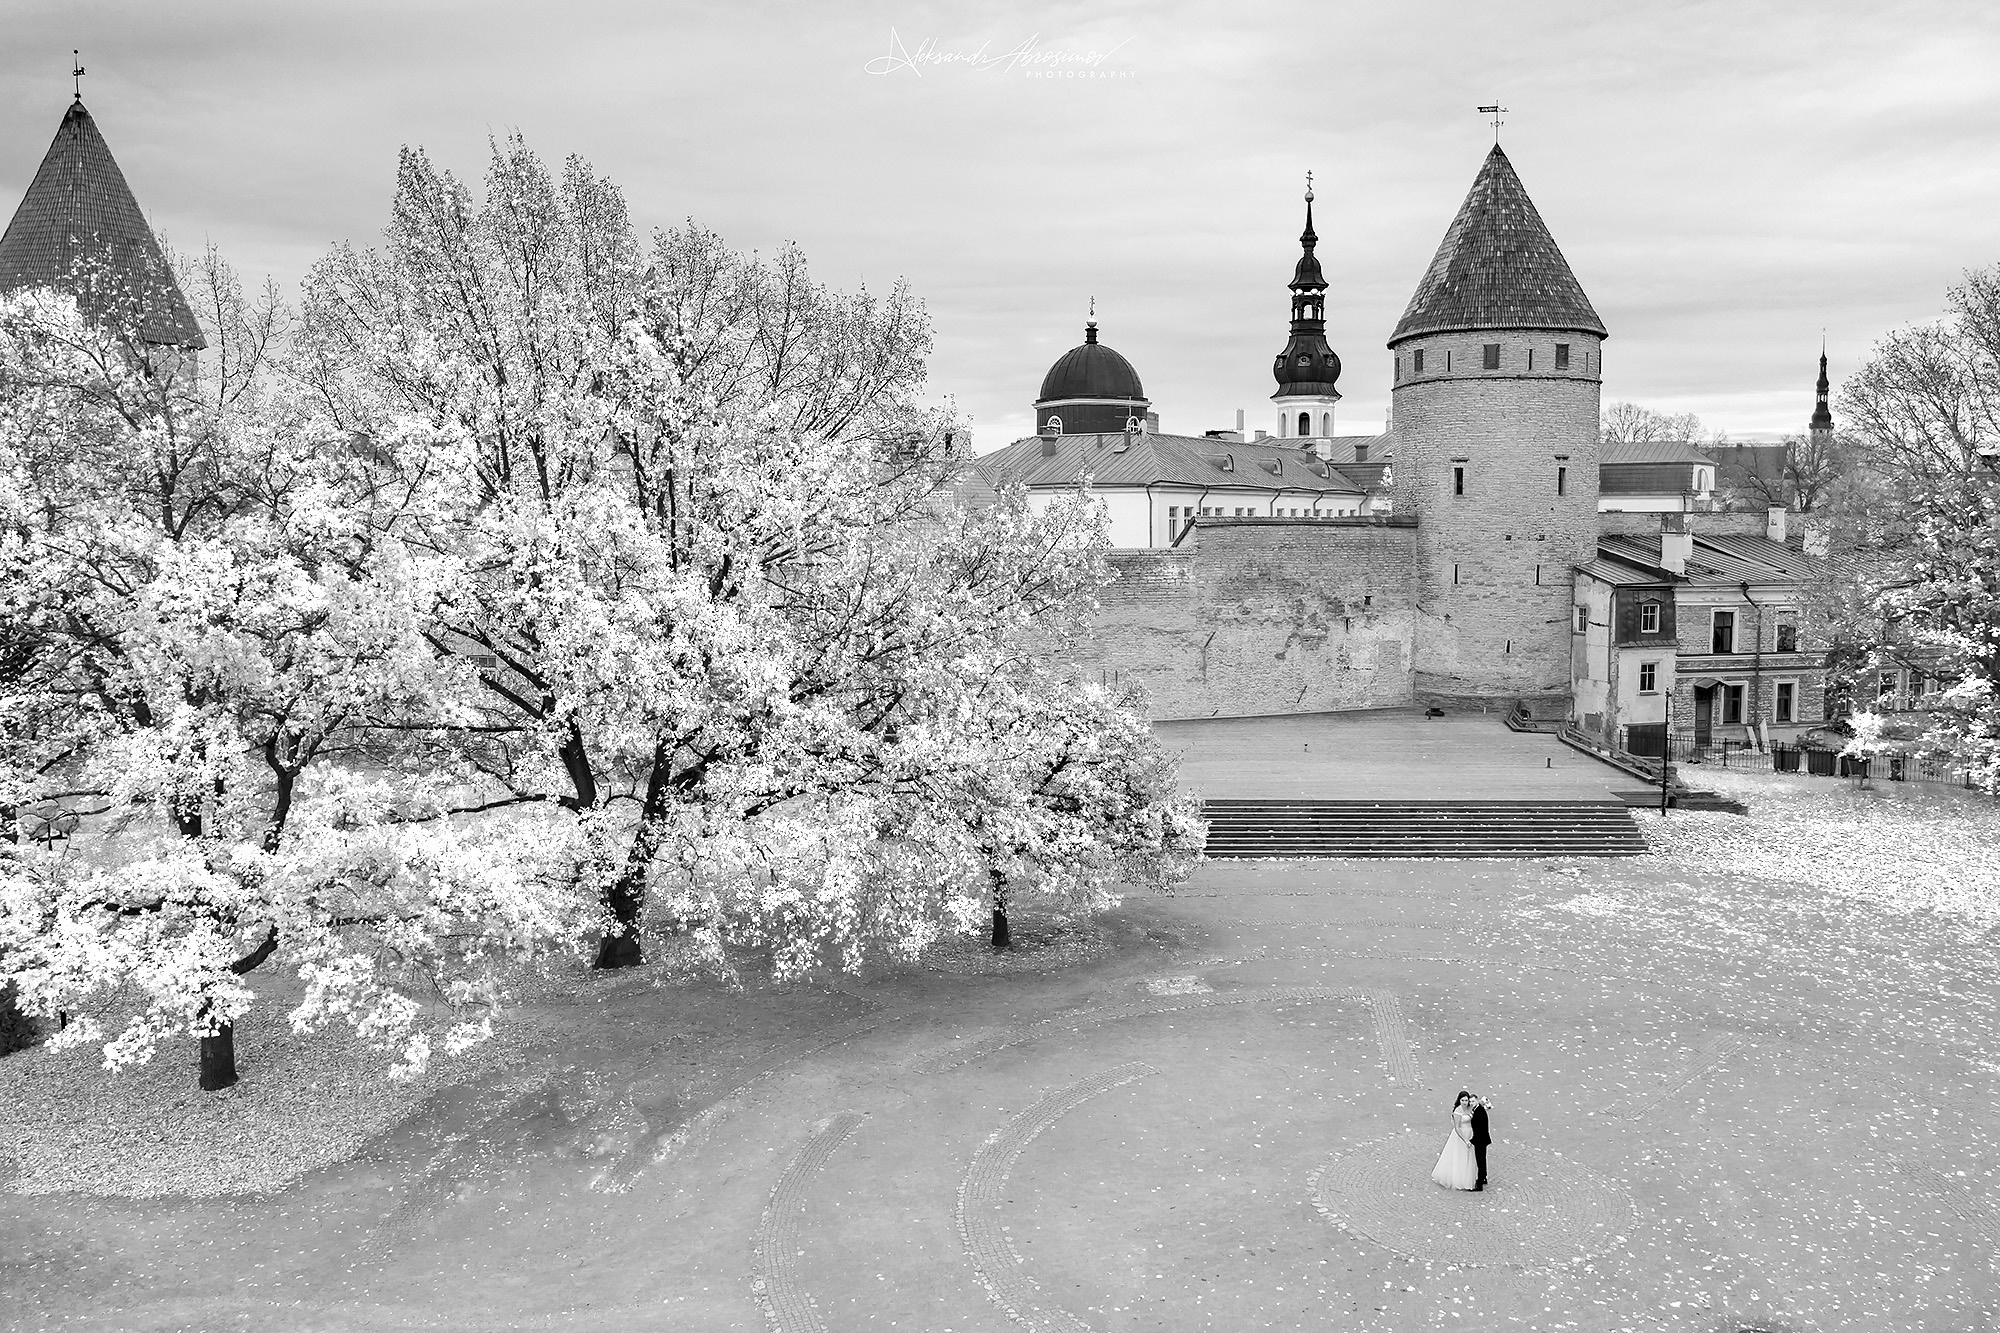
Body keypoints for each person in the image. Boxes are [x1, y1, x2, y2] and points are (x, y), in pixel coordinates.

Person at [1430, 1091, 1478, 1191]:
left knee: (1468, 1156)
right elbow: (1457, 1128)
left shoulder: (1470, 1108)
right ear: (1459, 1100)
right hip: (1461, 1135)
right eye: (1462, 1100)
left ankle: (1468, 1178)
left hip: (1470, 1133)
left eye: (1466, 1100)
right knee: (1459, 1156)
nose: (1464, 1102)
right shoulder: (1457, 1111)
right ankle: (1458, 1180)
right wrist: (1465, 1140)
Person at [1469, 1093, 1491, 1190]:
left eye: (1473, 1101)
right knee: (1482, 1160)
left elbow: (1478, 1128)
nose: (1471, 1103)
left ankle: (1480, 1184)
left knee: (1480, 1161)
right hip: (1483, 1139)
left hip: (1480, 1140)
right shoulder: (1479, 1109)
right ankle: (1484, 1177)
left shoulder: (1479, 1111)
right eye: (1470, 1101)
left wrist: (1472, 1140)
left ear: (1477, 1101)